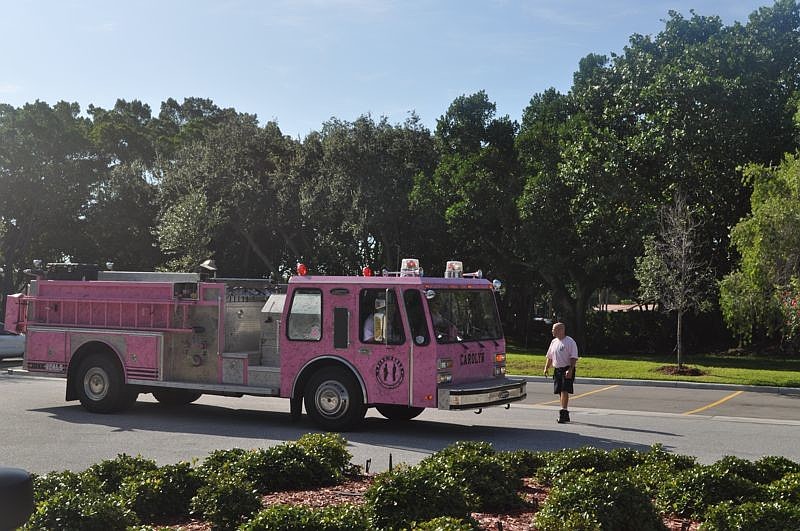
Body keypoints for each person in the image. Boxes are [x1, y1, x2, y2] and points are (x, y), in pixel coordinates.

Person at [543, 322, 579, 424]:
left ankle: (564, 412)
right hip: (557, 369)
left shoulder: (570, 342)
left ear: (561, 330)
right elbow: (549, 356)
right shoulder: (554, 342)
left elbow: (574, 357)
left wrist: (570, 369)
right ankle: (564, 411)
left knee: (564, 390)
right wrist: (546, 368)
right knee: (559, 391)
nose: (552, 331)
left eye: (554, 329)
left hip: (567, 368)